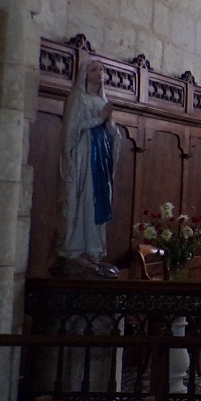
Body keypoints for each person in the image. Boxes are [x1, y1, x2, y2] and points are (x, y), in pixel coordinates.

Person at [53, 59, 123, 278]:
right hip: (84, 155)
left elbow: (113, 132)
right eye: (94, 69)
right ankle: (75, 250)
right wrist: (99, 119)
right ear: (84, 74)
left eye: (102, 69)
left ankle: (94, 250)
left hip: (101, 156)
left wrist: (109, 121)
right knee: (84, 200)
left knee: (99, 200)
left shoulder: (102, 99)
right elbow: (72, 129)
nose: (99, 73)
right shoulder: (78, 98)